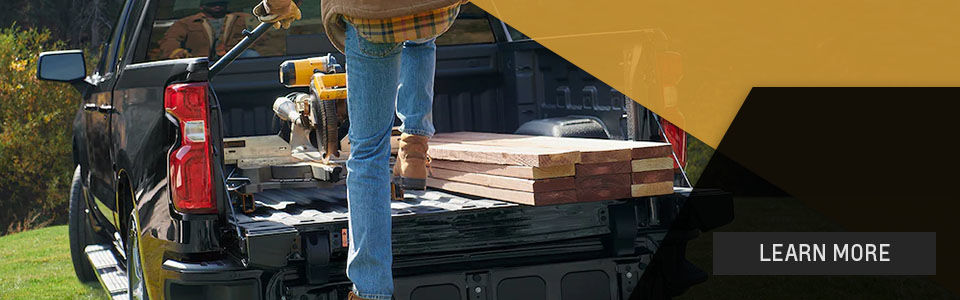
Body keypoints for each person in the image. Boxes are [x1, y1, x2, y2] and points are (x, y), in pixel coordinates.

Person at [254, 0, 466, 299]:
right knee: (421, 30)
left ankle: (371, 291)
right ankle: (414, 147)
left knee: (368, 155)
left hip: (372, 16)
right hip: (433, 7)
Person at [158, 0, 248, 59]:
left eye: (221, 3)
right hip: (202, 64)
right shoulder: (186, 23)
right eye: (212, 4)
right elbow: (171, 40)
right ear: (202, 6)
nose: (217, 6)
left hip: (237, 61)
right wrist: (177, 52)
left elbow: (260, 37)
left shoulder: (242, 18)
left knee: (251, 54)